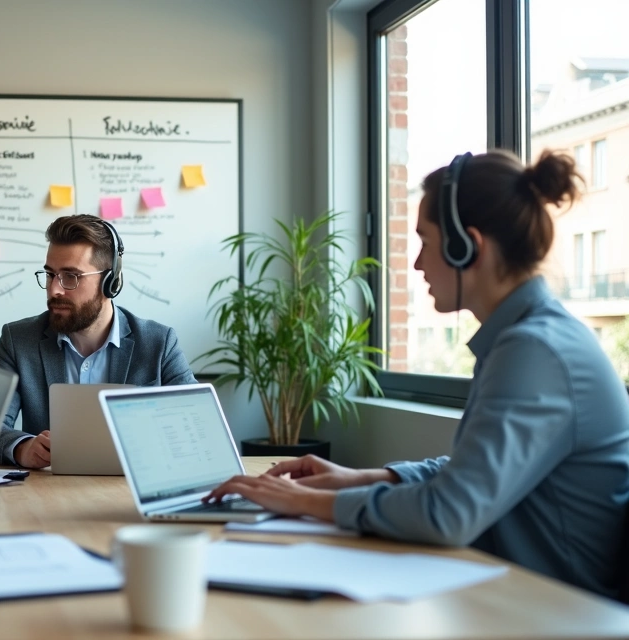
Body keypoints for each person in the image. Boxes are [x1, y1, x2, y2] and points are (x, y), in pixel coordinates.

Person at [205, 149, 629, 598]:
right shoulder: (525, 338)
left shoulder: (535, 351)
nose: (417, 264)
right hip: (515, 591)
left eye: (425, 241)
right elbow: (474, 473)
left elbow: (451, 513)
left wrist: (304, 501)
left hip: (561, 610)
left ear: (467, 246)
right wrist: (367, 477)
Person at [0, 214, 196, 468]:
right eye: (50, 275)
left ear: (110, 282)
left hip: (130, 492)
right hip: (46, 496)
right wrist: (22, 448)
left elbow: (197, 425)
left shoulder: (159, 344)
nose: (54, 290)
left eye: (71, 277)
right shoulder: (18, 341)